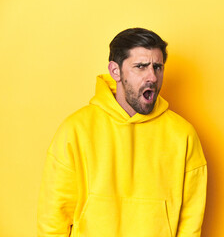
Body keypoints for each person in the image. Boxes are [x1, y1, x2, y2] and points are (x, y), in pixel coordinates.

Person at [37, 28, 207, 237]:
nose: (152, 77)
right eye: (141, 67)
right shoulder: (75, 130)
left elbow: (191, 222)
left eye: (157, 67)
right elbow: (53, 217)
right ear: (115, 71)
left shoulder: (183, 135)